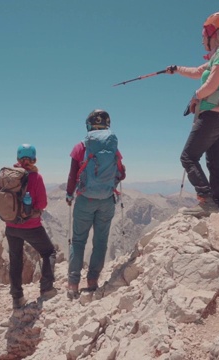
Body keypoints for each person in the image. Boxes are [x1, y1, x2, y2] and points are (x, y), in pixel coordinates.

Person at [166, 11, 219, 216]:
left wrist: (195, 97)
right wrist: (177, 69)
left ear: (211, 33)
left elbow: (211, 84)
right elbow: (198, 71)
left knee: (188, 157)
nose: (201, 39)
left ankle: (206, 201)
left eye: (203, 35)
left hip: (212, 114)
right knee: (214, 161)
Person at [65, 109, 126, 299]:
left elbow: (73, 175)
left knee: (78, 240)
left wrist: (69, 195)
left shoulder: (81, 147)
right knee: (100, 242)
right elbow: (122, 173)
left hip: (85, 200)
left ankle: (73, 284)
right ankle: (92, 282)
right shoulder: (113, 147)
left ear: (89, 124)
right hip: (107, 201)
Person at [5, 144, 57, 309]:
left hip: (11, 225)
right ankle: (47, 288)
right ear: (34, 159)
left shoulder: (8, 175)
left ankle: (17, 298)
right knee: (48, 252)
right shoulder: (36, 177)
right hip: (31, 226)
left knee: (15, 259)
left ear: (18, 159)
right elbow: (42, 203)